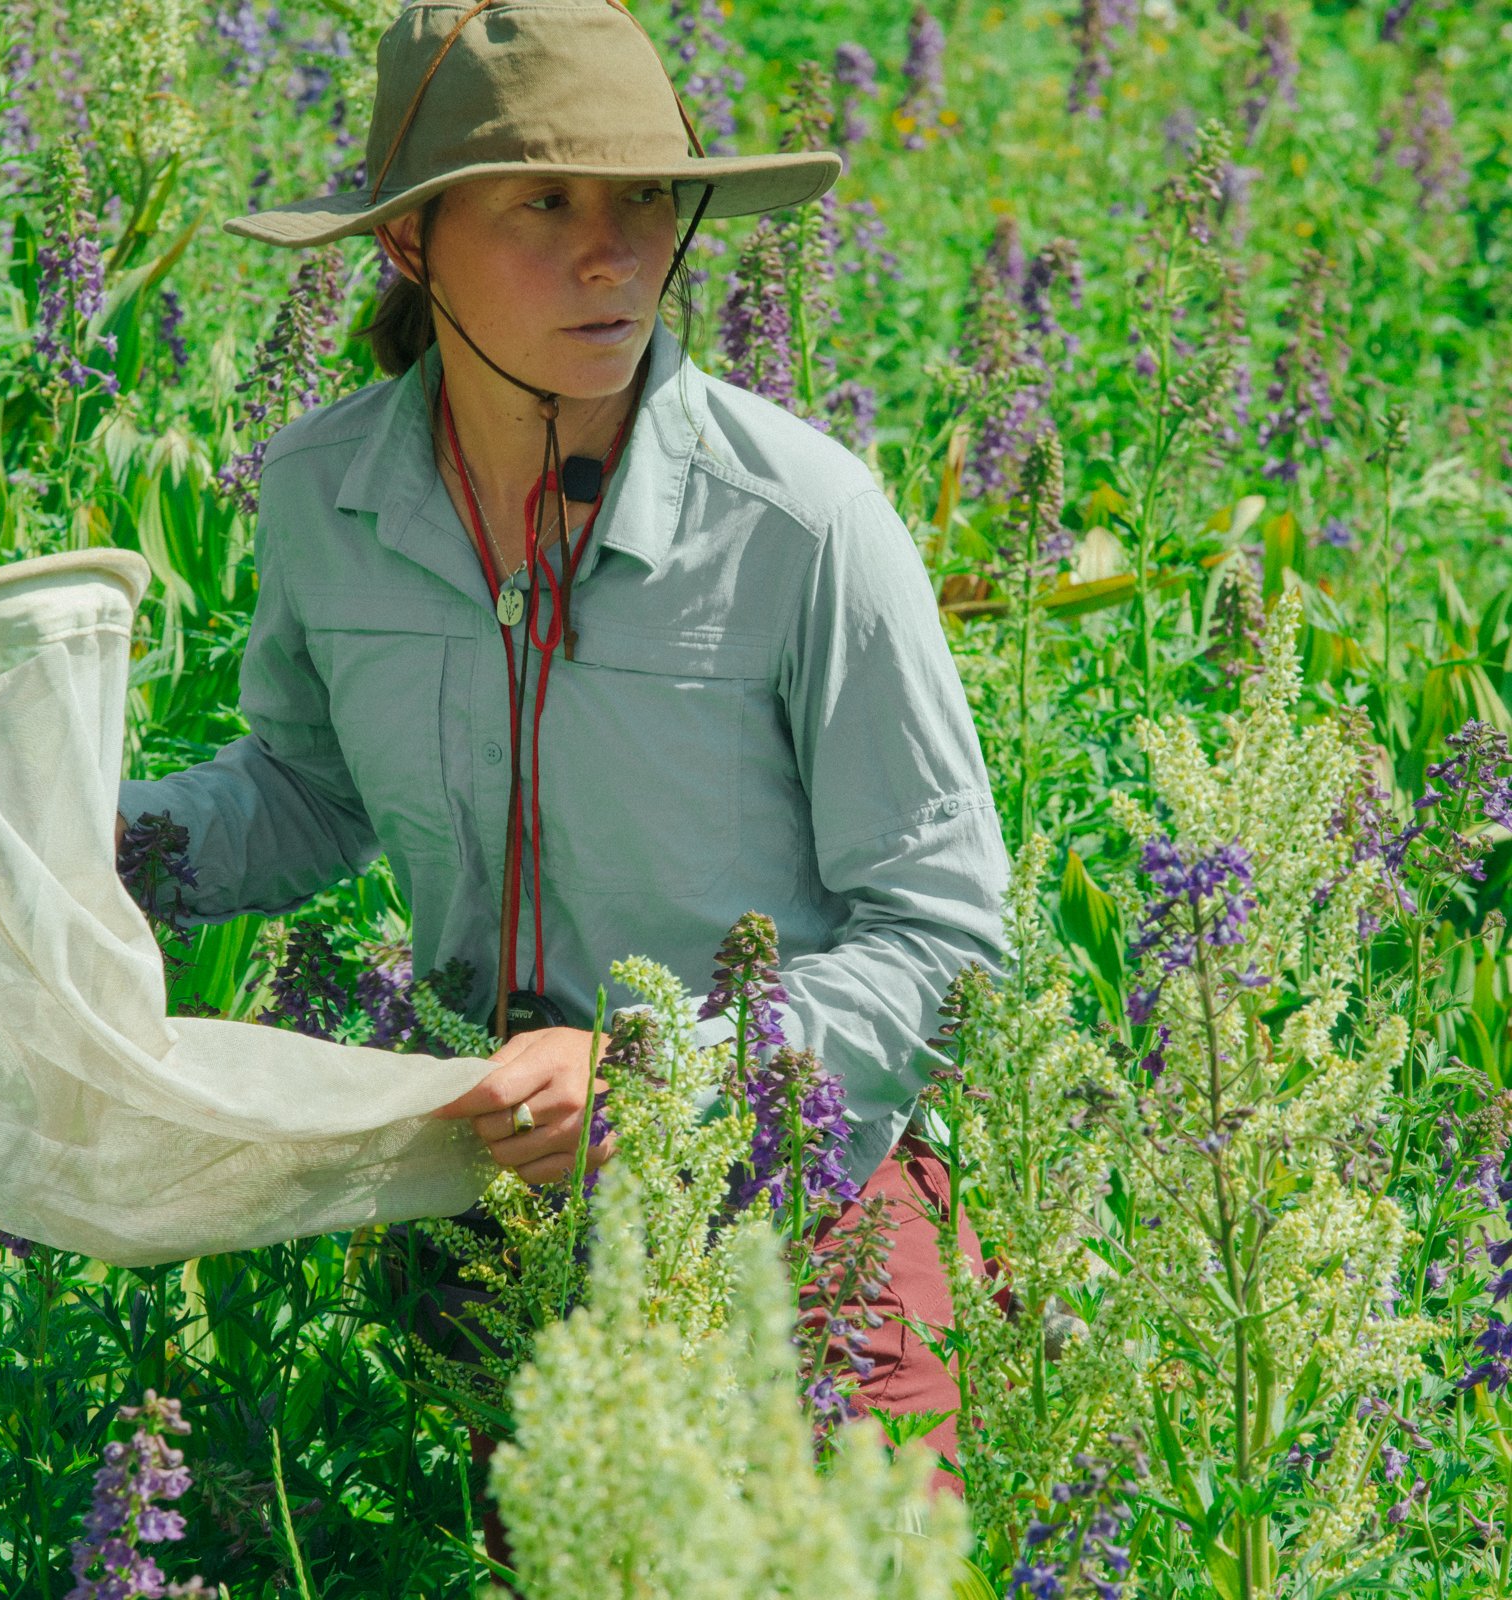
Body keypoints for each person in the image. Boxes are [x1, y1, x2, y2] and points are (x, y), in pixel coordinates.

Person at [115, 0, 1008, 1513]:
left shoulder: (802, 522)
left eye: (646, 198)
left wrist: (664, 1078)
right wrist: (79, 848)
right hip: (500, 1218)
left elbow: (945, 939)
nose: (615, 254)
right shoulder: (325, 492)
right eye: (544, 202)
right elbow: (309, 791)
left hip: (802, 1223)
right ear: (409, 245)